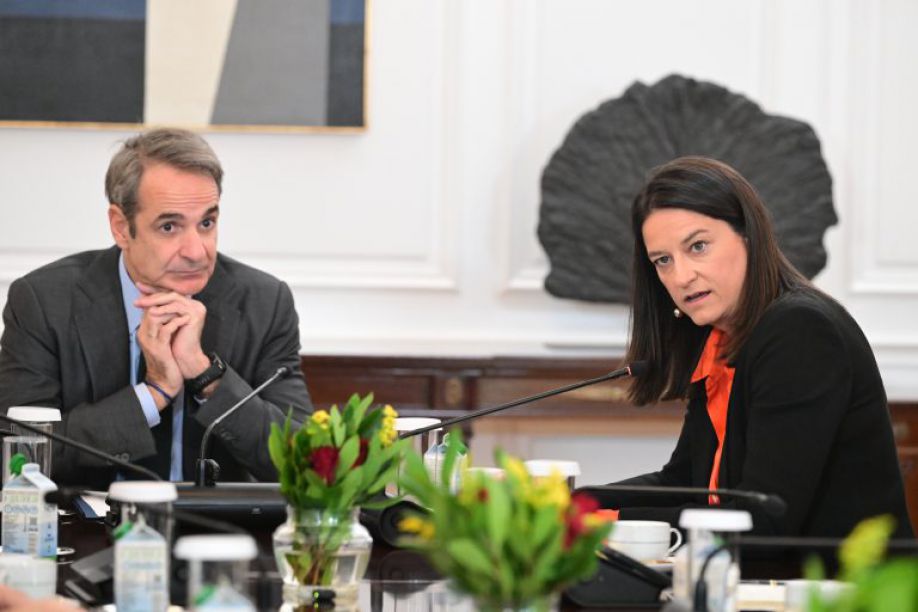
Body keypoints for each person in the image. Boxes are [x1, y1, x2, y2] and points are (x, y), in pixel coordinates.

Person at [594, 156, 912, 540]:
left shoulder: (799, 331)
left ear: (747, 235)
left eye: (698, 246)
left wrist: (607, 523)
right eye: (663, 260)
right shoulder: (720, 336)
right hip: (767, 572)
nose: (680, 276)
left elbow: (763, 520)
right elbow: (684, 481)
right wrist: (572, 503)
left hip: (842, 577)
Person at [0, 128, 313, 488]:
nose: (196, 251)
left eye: (206, 223)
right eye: (169, 226)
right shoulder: (45, 302)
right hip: (88, 520)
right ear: (121, 227)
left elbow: (305, 463)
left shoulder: (264, 303)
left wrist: (207, 376)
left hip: (216, 522)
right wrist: (153, 393)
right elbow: (20, 455)